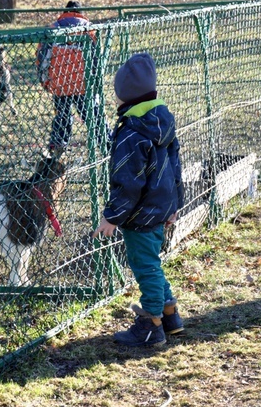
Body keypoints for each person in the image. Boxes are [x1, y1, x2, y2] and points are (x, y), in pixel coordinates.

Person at [91, 52, 185, 347]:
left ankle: (151, 325)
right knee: (153, 263)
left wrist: (111, 217)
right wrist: (174, 205)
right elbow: (175, 168)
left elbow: (127, 184)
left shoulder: (131, 133)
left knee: (145, 267)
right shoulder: (162, 121)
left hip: (140, 215)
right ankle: (170, 316)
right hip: (160, 208)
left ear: (126, 97)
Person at [37, 0, 104, 155]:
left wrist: (45, 81)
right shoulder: (90, 30)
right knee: (93, 115)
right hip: (83, 84)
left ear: (64, 12)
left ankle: (57, 146)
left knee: (61, 116)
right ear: (80, 13)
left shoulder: (52, 29)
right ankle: (105, 142)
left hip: (59, 83)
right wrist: (95, 81)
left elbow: (42, 58)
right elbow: (96, 60)